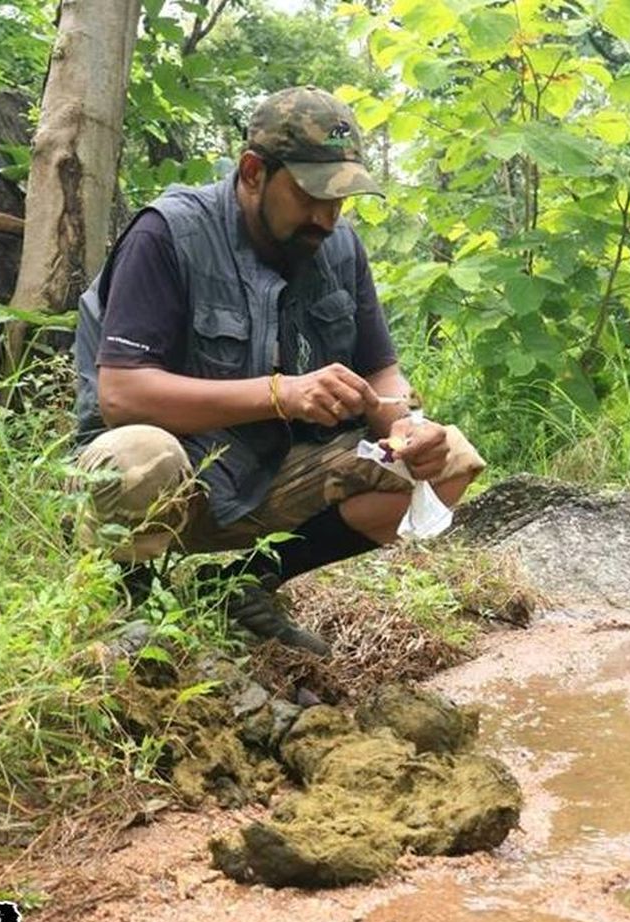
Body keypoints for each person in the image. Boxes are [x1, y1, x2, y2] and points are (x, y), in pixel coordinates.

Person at [73, 85, 485, 657]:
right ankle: (131, 606)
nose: (326, 216)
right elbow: (122, 393)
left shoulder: (339, 249)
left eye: (340, 199)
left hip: (267, 473)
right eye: (310, 195)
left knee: (451, 459)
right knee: (136, 455)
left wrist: (404, 425)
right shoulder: (167, 234)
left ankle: (237, 586)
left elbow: (383, 372)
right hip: (168, 482)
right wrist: (280, 394)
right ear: (252, 173)